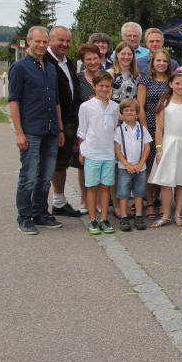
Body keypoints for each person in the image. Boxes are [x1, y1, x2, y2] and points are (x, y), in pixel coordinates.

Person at [8, 26, 66, 234]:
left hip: (50, 130)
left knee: (45, 175)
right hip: (31, 130)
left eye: (44, 42)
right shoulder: (20, 67)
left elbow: (57, 101)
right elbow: (13, 101)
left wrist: (60, 129)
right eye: (37, 41)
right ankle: (24, 217)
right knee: (29, 175)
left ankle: (40, 212)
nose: (41, 45)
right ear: (28, 41)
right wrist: (19, 132)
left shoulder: (50, 67)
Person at [148, 72, 182, 227]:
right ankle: (166, 215)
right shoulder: (165, 105)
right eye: (177, 83)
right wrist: (158, 149)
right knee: (166, 181)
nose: (180, 86)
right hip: (168, 144)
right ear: (170, 84)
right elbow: (158, 129)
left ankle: (178, 213)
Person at [45, 26, 82, 218]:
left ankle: (59, 201)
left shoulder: (69, 62)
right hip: (50, 124)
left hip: (69, 122)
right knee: (47, 163)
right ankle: (40, 208)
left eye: (67, 41)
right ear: (50, 40)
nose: (65, 44)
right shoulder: (44, 61)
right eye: (60, 40)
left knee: (61, 163)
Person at [77, 71, 119, 235]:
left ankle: (104, 218)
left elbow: (114, 130)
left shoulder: (114, 107)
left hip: (108, 153)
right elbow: (82, 131)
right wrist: (82, 151)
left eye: (107, 86)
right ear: (94, 86)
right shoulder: (86, 106)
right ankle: (93, 219)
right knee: (92, 187)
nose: (104, 89)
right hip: (92, 152)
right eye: (101, 85)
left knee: (105, 187)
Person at [136, 49, 171, 220]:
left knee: (163, 164)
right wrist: (144, 129)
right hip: (149, 123)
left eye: (164, 61)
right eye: (159, 61)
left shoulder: (171, 81)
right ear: (153, 62)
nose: (162, 64)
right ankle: (149, 202)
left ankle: (160, 200)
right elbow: (140, 107)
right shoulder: (145, 80)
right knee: (150, 166)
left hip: (168, 125)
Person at [75, 44, 106, 215]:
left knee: (103, 165)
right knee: (83, 165)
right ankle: (84, 199)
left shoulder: (106, 76)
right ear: (83, 61)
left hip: (103, 129)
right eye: (89, 59)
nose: (93, 61)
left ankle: (100, 200)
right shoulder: (78, 78)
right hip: (84, 127)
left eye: (95, 58)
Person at [113, 99, 152, 232]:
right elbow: (117, 149)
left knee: (139, 192)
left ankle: (139, 216)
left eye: (132, 110)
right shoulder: (119, 130)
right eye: (126, 110)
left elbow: (147, 147)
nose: (129, 112)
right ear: (122, 113)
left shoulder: (142, 128)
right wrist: (126, 164)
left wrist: (141, 163)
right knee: (123, 193)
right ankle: (124, 217)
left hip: (140, 167)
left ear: (137, 113)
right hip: (125, 168)